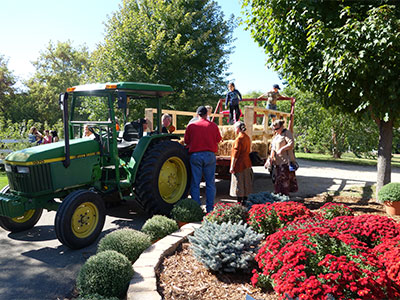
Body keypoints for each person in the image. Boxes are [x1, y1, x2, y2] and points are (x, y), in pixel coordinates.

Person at [184, 106, 222, 213]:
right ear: (207, 114)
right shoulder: (213, 126)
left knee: (195, 183)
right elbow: (218, 139)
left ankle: (197, 209)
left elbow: (186, 141)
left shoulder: (191, 126)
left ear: (197, 114)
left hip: (195, 155)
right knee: (210, 183)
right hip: (210, 155)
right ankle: (210, 208)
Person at [266, 119, 298, 195]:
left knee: (285, 181)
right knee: (278, 180)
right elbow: (273, 149)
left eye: (277, 129)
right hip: (277, 162)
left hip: (285, 162)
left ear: (281, 127)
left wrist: (282, 149)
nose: (275, 130)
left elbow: (291, 144)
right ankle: (279, 196)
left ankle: (285, 197)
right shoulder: (276, 136)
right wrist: (269, 160)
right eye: (274, 129)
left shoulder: (287, 133)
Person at [229, 121, 253, 204]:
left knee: (239, 183)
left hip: (239, 164)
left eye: (235, 128)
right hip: (247, 162)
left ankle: (239, 202)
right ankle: (245, 201)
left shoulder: (238, 139)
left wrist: (232, 166)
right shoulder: (247, 137)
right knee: (246, 182)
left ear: (238, 129)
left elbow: (235, 154)